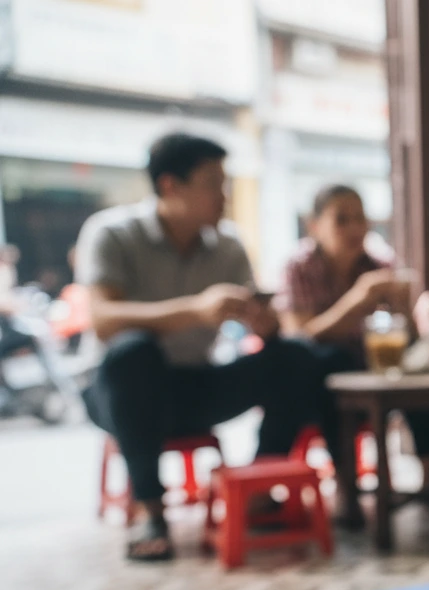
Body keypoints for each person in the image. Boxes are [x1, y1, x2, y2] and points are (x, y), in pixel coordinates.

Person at [77, 132, 315, 561]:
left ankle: (258, 492)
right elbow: (103, 320)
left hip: (196, 384)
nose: (223, 195)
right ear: (171, 185)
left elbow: (264, 328)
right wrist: (195, 311)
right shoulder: (111, 233)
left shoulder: (228, 246)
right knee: (133, 353)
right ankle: (151, 512)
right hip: (120, 393)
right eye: (212, 183)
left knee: (295, 357)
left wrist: (266, 324)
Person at [275, 184, 429, 492]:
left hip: (372, 368)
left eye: (360, 218)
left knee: (413, 371)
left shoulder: (379, 265)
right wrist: (356, 301)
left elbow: (411, 339)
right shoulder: (298, 267)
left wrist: (404, 308)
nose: (355, 228)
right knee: (333, 365)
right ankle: (346, 484)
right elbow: (298, 335)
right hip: (317, 381)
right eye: (342, 219)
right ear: (315, 226)